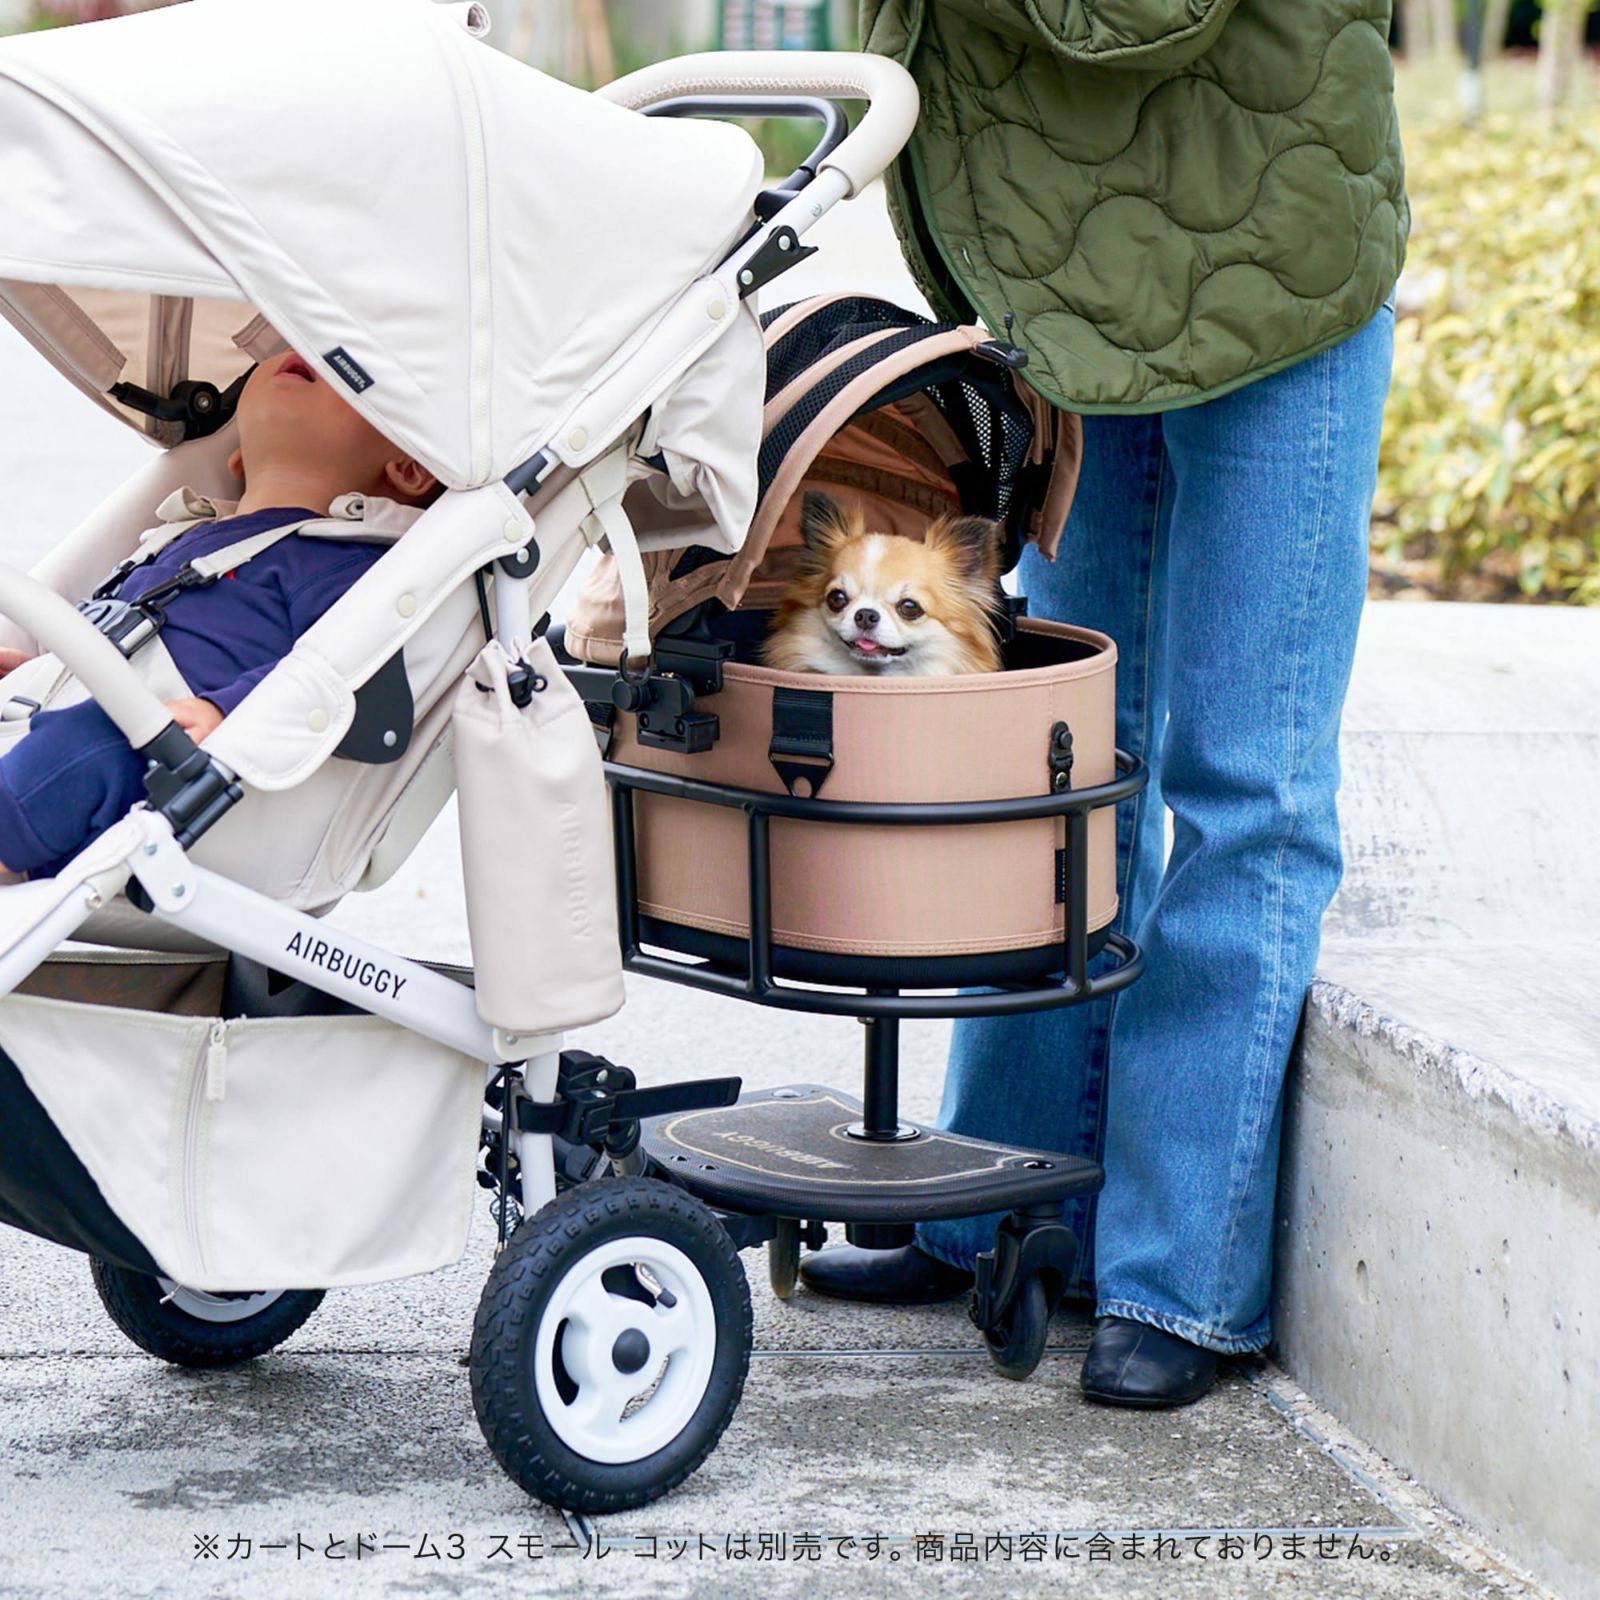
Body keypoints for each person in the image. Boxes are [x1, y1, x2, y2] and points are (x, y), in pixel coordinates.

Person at [801, 0, 1408, 1406]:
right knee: (1060, 760)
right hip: (1085, 261)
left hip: (1276, 243)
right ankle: (999, 1204)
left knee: (1246, 785)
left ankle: (1180, 1279)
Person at [0, 349, 439, 876]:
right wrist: (42, 673)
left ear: (409, 468)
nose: (306, 350)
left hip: (157, 769)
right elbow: (123, 629)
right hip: (57, 721)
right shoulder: (180, 535)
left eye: (348, 367)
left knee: (90, 741)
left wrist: (229, 712)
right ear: (238, 459)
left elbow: (342, 671)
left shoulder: (344, 562)